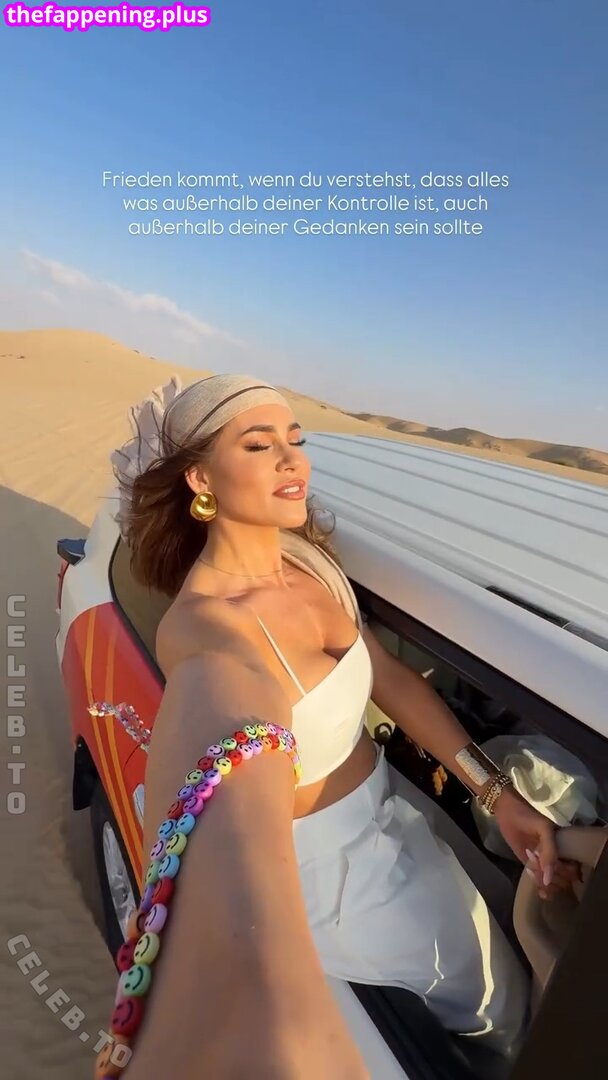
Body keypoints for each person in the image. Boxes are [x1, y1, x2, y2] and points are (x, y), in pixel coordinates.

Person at [108, 373, 578, 1075]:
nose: (290, 460)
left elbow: (390, 680)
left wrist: (494, 792)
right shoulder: (205, 628)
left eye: (295, 440)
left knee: (507, 985)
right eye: (259, 445)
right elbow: (230, 746)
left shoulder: (304, 561)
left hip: (396, 817)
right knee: (500, 1018)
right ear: (200, 478)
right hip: (334, 884)